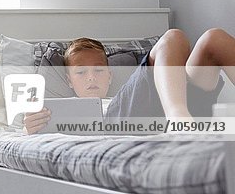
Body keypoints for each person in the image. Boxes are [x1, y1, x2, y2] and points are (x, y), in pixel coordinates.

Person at [23, 29, 235, 135]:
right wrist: (31, 128)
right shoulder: (61, 112)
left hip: (179, 103)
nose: (91, 77)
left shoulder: (123, 95)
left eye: (99, 70)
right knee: (174, 37)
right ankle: (178, 119)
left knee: (212, 38)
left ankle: (179, 118)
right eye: (81, 73)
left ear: (110, 75)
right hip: (120, 124)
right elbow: (33, 136)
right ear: (68, 81)